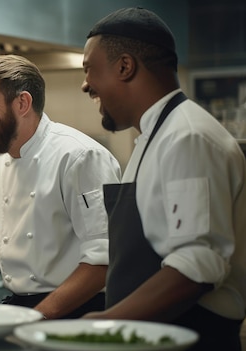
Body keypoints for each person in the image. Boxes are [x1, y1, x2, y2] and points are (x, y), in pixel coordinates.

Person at [80, 7, 246, 350]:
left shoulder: (186, 138)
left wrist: (105, 322)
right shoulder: (154, 137)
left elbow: (197, 265)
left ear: (125, 66)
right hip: (150, 334)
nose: (86, 84)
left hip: (189, 336)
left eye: (89, 70)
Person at [0, 54, 121, 319]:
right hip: (26, 308)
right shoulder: (1, 163)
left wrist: (36, 318)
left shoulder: (79, 157)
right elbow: (24, 251)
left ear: (22, 102)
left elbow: (104, 259)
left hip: (78, 312)